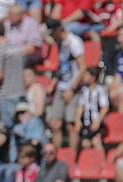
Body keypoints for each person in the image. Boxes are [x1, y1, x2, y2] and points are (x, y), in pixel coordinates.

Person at [46, 19, 87, 151]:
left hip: (73, 87)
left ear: (59, 30)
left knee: (71, 125)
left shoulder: (73, 42)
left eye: (52, 33)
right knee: (55, 124)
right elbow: (63, 66)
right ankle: (56, 157)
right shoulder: (60, 43)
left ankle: (72, 158)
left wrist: (73, 88)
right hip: (61, 85)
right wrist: (54, 81)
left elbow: (83, 67)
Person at [0, 22, 26, 129]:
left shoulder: (0, 50)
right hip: (20, 92)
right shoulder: (17, 49)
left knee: (7, 128)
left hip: (6, 94)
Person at [76, 66, 109, 151]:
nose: (84, 77)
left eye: (86, 75)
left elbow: (105, 107)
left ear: (93, 77)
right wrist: (77, 119)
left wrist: (98, 122)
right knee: (85, 143)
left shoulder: (100, 90)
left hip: (97, 122)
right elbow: (81, 106)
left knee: (96, 141)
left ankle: (103, 162)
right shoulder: (84, 90)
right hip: (87, 122)